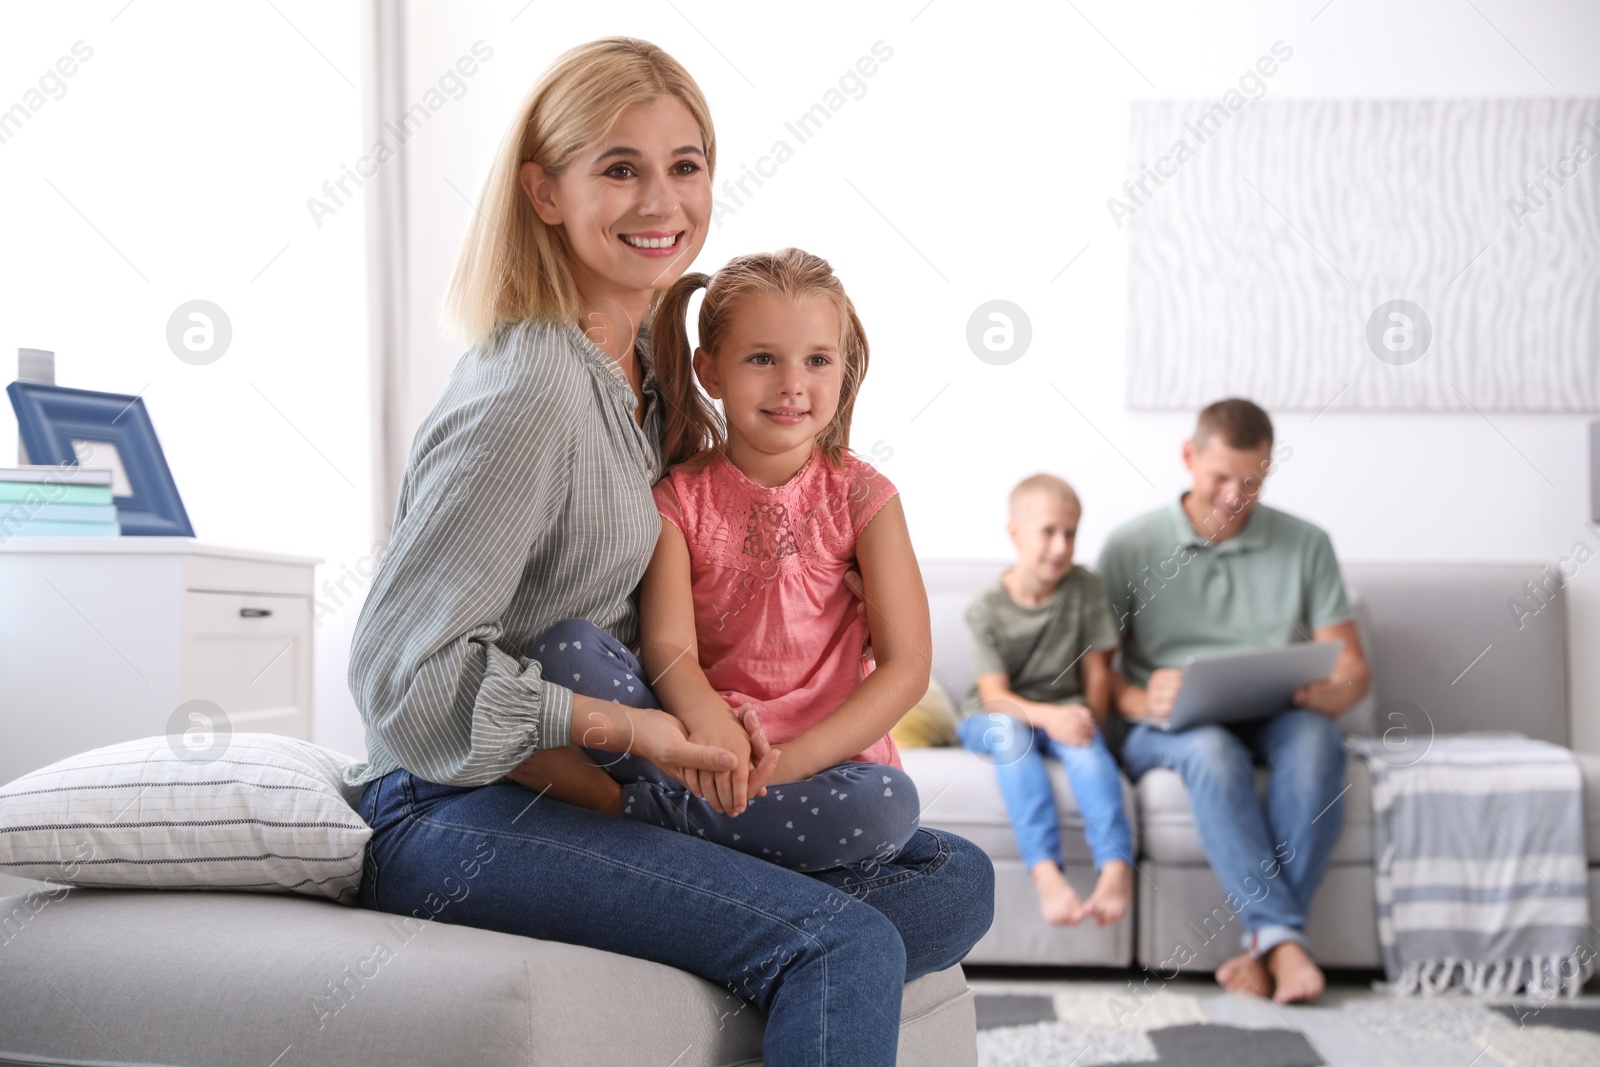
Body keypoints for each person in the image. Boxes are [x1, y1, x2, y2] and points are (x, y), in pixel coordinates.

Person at [342, 37, 992, 1067]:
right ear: (544, 194)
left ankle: (710, 909)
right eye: (618, 167)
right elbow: (397, 679)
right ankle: (747, 922)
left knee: (954, 874)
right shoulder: (530, 389)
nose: (662, 200)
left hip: (599, 779)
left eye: (683, 164)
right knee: (846, 938)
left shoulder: (647, 366)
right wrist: (633, 731)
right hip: (463, 802)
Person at [530, 248, 927, 874]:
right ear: (709, 371)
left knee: (888, 809)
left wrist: (786, 764)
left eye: (817, 360)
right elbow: (669, 649)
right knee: (568, 650)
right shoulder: (678, 499)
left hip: (824, 768)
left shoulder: (863, 498)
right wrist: (714, 731)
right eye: (762, 358)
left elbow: (907, 668)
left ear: (844, 370)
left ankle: (621, 811)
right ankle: (737, 831)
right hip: (697, 745)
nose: (793, 384)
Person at [1096, 398, 1370, 1005]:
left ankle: (1265, 944)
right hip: (1171, 728)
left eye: (1251, 480)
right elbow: (1096, 674)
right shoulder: (1129, 546)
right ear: (1189, 457)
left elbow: (1352, 665)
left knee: (1317, 738)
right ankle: (1285, 942)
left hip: (1277, 715)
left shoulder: (1306, 543)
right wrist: (1142, 698)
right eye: (1220, 477)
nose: (1232, 495)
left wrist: (1332, 690)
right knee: (1213, 751)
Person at [956, 474, 1134, 926]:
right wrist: (1050, 717)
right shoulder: (987, 608)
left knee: (1087, 750)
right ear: (1015, 533)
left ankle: (1115, 868)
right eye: (1048, 531)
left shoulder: (1085, 589)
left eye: (1070, 534)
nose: (1060, 546)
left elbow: (1098, 674)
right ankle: (1045, 872)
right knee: (1012, 735)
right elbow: (995, 696)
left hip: (1062, 709)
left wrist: (1086, 723)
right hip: (997, 715)